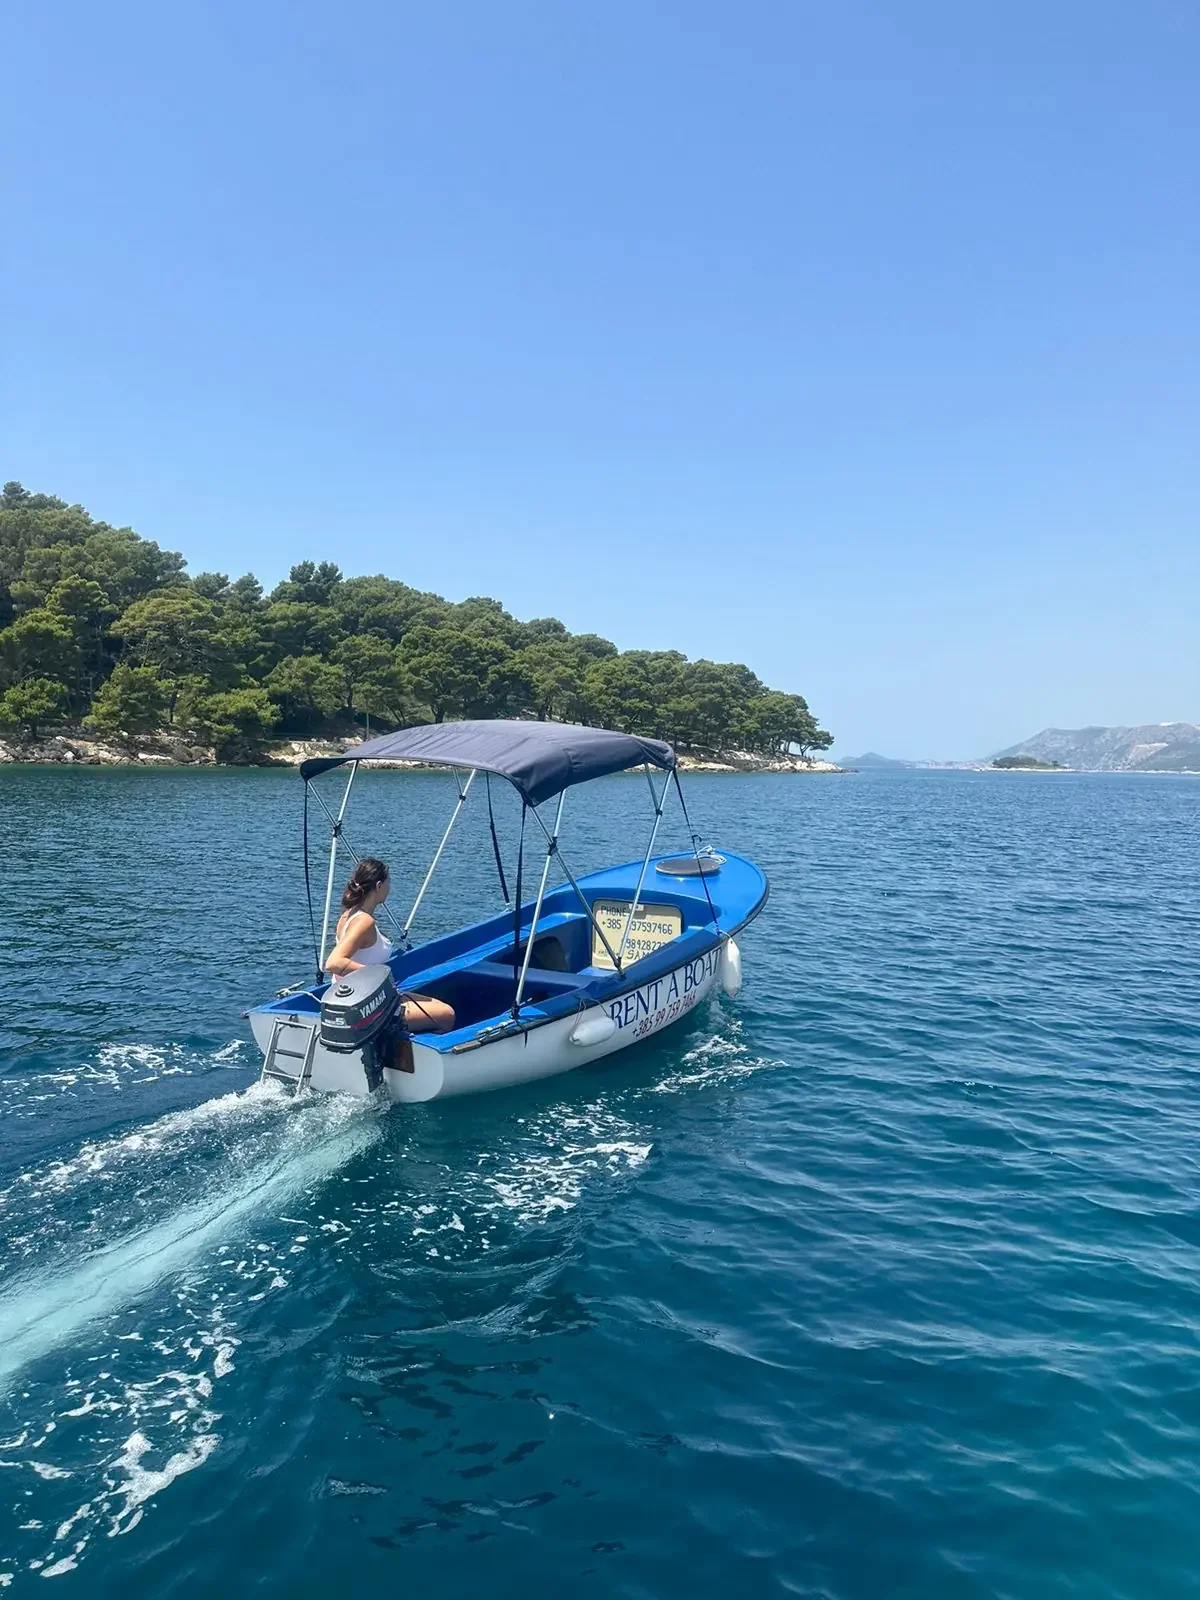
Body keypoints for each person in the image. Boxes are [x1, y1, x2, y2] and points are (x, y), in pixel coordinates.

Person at [325, 858, 455, 1034]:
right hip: (368, 1004)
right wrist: (379, 979)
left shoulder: (348, 915)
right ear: (379, 886)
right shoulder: (364, 922)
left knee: (438, 1006)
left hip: (357, 997)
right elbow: (334, 962)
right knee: (447, 1015)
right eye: (388, 882)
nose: (389, 888)